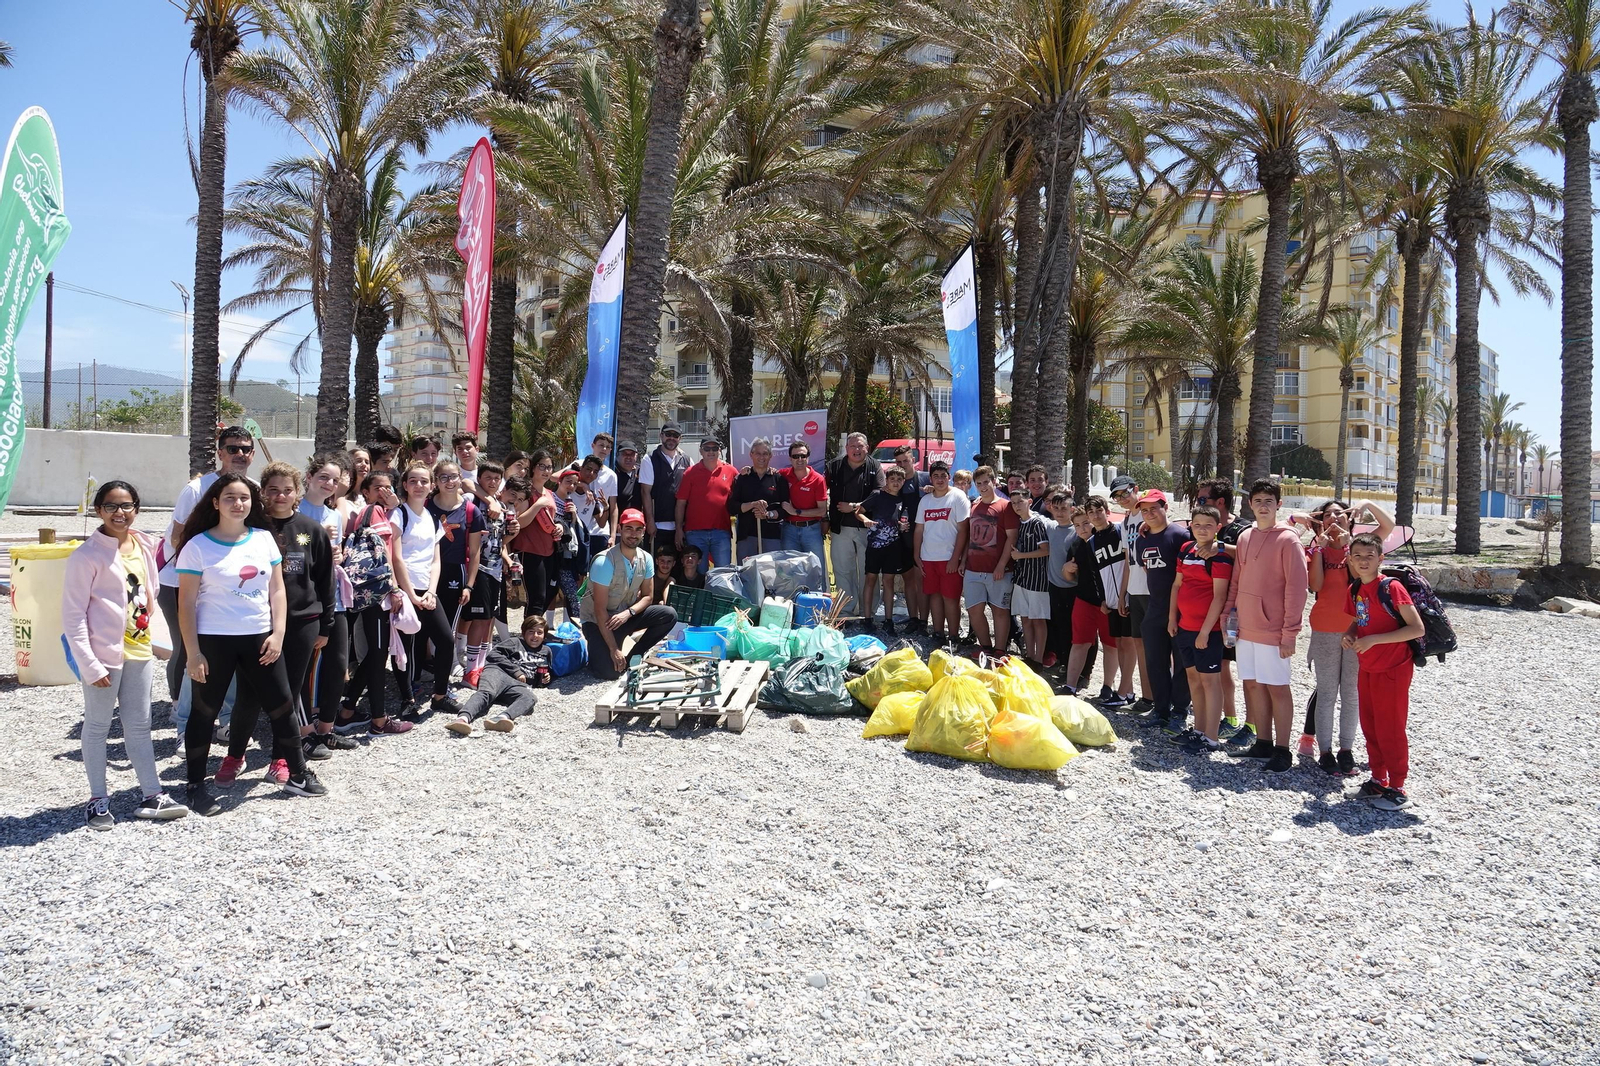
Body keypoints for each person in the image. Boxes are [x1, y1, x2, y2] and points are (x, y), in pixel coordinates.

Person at [175, 474, 326, 815]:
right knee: (204, 712)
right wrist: (193, 652)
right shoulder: (197, 545)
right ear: (215, 502)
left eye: (244, 498)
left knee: (282, 706)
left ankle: (297, 774)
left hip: (259, 637)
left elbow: (277, 590)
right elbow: (185, 603)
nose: (238, 504)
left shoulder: (262, 539)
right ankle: (195, 786)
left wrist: (278, 633)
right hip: (214, 640)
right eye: (230, 497)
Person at [63, 480, 187, 828]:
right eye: (111, 506)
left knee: (139, 723)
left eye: (127, 505)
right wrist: (89, 664)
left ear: (137, 508)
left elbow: (149, 593)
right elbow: (72, 617)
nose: (120, 513)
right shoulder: (86, 556)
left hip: (139, 650)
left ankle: (152, 793)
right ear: (98, 510)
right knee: (99, 724)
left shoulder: (143, 546)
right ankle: (97, 799)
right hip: (103, 656)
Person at [220, 462, 334, 784]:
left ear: (297, 493)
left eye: (287, 490)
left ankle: (279, 759)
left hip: (302, 624)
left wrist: (325, 626)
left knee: (287, 695)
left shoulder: (311, 530)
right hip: (256, 625)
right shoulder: (251, 530)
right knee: (249, 694)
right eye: (273, 490)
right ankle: (234, 756)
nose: (280, 496)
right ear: (262, 493)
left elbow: (326, 582)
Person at [156, 425, 255, 738]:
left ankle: (225, 719)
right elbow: (177, 536)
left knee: (228, 653)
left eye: (245, 449)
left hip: (229, 586)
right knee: (189, 652)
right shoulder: (198, 489)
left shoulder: (250, 488)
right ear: (219, 452)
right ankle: (184, 716)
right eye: (232, 448)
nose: (239, 454)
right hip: (184, 582)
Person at [1222, 478, 1309, 773]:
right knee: (1253, 684)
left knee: (1278, 688)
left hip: (1274, 631)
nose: (1262, 506)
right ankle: (1263, 741)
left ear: (1279, 505)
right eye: (1258, 501)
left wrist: (1290, 633)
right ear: (1250, 504)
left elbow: (1297, 589)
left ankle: (1283, 750)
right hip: (1245, 628)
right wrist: (1227, 617)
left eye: (1268, 502)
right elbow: (1236, 582)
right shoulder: (1245, 537)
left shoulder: (1289, 540)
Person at [1306, 499, 1395, 773]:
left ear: (1350, 519)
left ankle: (1346, 749)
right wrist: (1321, 549)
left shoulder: (1361, 547)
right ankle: (1325, 751)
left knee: (1351, 693)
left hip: (1358, 629)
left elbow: (1388, 526)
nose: (1334, 518)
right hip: (1324, 627)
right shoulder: (1314, 549)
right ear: (1320, 521)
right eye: (1328, 515)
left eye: (1340, 514)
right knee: (1327, 692)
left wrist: (1367, 504)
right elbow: (1316, 585)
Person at [1343, 532, 1425, 811]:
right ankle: (1378, 779)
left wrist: (1373, 640)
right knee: (1371, 725)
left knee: (1391, 727)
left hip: (1393, 668)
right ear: (1350, 560)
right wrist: (1351, 634)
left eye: (1369, 556)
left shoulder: (1391, 587)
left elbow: (1416, 628)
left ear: (1381, 558)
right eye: (1358, 556)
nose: (1363, 561)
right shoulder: (1355, 589)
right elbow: (1360, 622)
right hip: (1368, 666)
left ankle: (1398, 786)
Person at [333, 470, 414, 737]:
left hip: (372, 593)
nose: (384, 492)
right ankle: (379, 721)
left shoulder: (379, 512)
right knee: (378, 655)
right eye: (378, 487)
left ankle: (347, 711)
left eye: (389, 486)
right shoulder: (373, 512)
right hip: (377, 593)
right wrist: (393, 588)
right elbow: (381, 555)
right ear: (365, 491)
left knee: (376, 654)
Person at [299, 454, 361, 755]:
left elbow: (334, 555)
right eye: (323, 476)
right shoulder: (295, 510)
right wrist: (318, 541)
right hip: (304, 600)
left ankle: (326, 728)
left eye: (335, 480)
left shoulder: (335, 514)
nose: (329, 484)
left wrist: (336, 555)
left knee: (337, 664)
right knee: (307, 668)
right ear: (309, 476)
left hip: (332, 599)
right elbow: (292, 553)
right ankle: (304, 732)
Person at [390, 461, 461, 719]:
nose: (418, 486)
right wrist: (410, 595)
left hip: (427, 590)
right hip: (405, 590)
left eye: (424, 481)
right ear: (405, 485)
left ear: (431, 486)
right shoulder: (399, 514)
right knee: (406, 647)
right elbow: (396, 558)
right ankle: (407, 699)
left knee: (446, 640)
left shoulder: (432, 519)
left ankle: (440, 696)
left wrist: (430, 592)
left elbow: (435, 560)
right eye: (413, 481)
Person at [582, 509, 678, 680]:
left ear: (643, 531)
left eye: (638, 529)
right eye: (628, 528)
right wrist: (613, 649)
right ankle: (607, 651)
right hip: (598, 622)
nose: (633, 534)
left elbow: (648, 597)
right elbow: (599, 610)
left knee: (668, 614)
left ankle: (634, 656)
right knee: (609, 673)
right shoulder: (604, 562)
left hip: (623, 617)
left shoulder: (646, 558)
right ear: (619, 529)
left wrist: (628, 613)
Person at [1169, 505, 1233, 753]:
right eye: (1197, 524)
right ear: (1191, 526)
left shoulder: (1219, 556)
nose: (1202, 529)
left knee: (1210, 682)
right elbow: (1177, 586)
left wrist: (1206, 632)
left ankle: (1211, 737)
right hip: (1184, 627)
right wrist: (1172, 618)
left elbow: (1219, 596)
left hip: (1208, 631)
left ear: (1218, 528)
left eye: (1208, 525)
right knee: (1193, 679)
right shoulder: (1186, 550)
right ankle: (1198, 730)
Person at [1133, 490, 1192, 736]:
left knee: (1181, 662)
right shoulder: (1142, 539)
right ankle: (1161, 709)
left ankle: (1180, 711)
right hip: (1155, 607)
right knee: (1155, 661)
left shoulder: (1180, 536)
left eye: (1153, 509)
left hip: (1181, 609)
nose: (1149, 514)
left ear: (1165, 507)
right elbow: (1147, 569)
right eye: (1144, 511)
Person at [1197, 477, 1251, 742]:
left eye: (1201, 500)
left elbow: (1251, 554)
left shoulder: (1243, 529)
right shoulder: (1205, 525)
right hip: (1212, 608)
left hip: (1240, 610)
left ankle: (1251, 726)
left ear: (1220, 502)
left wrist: (1220, 547)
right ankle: (1229, 718)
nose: (1198, 504)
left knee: (1248, 673)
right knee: (1220, 665)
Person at [428, 459, 486, 679]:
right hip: (427, 572)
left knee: (449, 624)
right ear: (436, 481)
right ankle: (429, 663)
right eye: (443, 477)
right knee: (426, 623)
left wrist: (469, 585)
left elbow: (474, 551)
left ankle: (449, 662)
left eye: (453, 476)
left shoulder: (470, 511)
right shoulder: (425, 506)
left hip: (455, 571)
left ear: (460, 479)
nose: (449, 481)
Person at [447, 613, 552, 735]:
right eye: (531, 631)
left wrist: (547, 679)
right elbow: (493, 654)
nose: (535, 636)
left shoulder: (546, 651)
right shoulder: (515, 642)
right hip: (498, 672)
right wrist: (516, 671)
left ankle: (502, 718)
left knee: (530, 698)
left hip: (516, 685)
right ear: (523, 632)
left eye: (539, 632)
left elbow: (544, 671)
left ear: (544, 635)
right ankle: (462, 719)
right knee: (487, 693)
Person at [1065, 497, 1126, 702]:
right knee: (1079, 642)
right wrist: (1066, 570)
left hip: (1110, 601)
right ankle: (1070, 685)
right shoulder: (1076, 545)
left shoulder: (1115, 534)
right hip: (1085, 600)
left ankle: (1108, 686)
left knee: (1111, 645)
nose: (1083, 527)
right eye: (1078, 525)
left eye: (1086, 522)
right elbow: (1070, 574)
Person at [462, 460, 511, 686]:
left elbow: (500, 542)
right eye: (488, 478)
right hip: (477, 567)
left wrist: (512, 533)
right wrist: (487, 498)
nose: (492, 482)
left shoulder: (503, 508)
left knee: (489, 619)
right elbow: (465, 483)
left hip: (495, 570)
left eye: (496, 478)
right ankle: (470, 670)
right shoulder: (472, 500)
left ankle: (481, 665)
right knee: (479, 620)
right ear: (480, 478)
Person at [960, 466, 1019, 653]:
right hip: (973, 569)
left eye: (986, 482)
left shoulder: (1005, 506)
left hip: (999, 571)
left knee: (1000, 612)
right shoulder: (974, 505)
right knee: (974, 611)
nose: (983, 486)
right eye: (979, 483)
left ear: (994, 481)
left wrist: (1002, 565)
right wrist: (963, 561)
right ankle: (985, 646)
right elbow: (969, 536)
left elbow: (1012, 537)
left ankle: (1000, 650)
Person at [825, 433, 883, 620]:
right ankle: (845, 612)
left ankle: (869, 612)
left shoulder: (875, 466)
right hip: (840, 528)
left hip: (867, 527)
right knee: (842, 571)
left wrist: (856, 506)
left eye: (860, 446)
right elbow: (819, 487)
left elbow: (879, 492)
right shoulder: (834, 466)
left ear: (867, 447)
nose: (856, 450)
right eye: (852, 446)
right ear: (846, 448)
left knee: (869, 571)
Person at [1109, 475, 1152, 713]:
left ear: (1135, 489)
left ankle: (1169, 699)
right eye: (1117, 496)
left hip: (1152, 589)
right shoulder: (1126, 522)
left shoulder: (1148, 512)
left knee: (1159, 648)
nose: (1122, 499)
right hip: (1135, 589)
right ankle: (1147, 697)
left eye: (1124, 493)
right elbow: (1127, 560)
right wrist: (1122, 594)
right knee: (1140, 645)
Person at [914, 462, 970, 643]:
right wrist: (917, 555)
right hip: (928, 557)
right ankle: (938, 633)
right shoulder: (925, 501)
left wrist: (956, 558)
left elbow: (964, 530)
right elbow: (919, 530)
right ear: (930, 479)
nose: (939, 479)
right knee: (935, 596)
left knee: (951, 598)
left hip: (949, 558)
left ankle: (954, 635)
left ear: (949, 477)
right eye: (936, 476)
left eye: (943, 476)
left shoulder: (958, 497)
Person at [1044, 490, 1095, 687]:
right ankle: (1066, 665)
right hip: (1056, 587)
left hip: (1077, 590)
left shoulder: (1079, 532)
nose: (1059, 512)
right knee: (1062, 629)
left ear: (1071, 509)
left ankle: (1086, 673)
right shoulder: (1051, 528)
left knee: (1083, 634)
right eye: (1055, 508)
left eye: (1063, 508)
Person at [859, 466, 913, 634]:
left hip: (893, 547)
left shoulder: (902, 499)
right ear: (886, 481)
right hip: (875, 546)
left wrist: (902, 525)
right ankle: (867, 619)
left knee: (888, 582)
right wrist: (866, 520)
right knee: (871, 579)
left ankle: (888, 621)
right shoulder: (877, 495)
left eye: (899, 480)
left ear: (903, 482)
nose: (895, 483)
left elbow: (897, 519)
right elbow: (858, 511)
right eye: (892, 479)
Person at [675, 437, 737, 571]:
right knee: (699, 575)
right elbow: (681, 503)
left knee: (723, 575)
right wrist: (679, 529)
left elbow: (743, 489)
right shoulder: (690, 473)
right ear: (701, 451)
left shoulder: (731, 471)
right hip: (695, 533)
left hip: (721, 532)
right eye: (707, 449)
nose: (711, 452)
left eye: (714, 448)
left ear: (719, 451)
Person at [1007, 489, 1052, 666]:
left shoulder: (1036, 523)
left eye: (1020, 501)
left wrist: (1021, 556)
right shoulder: (1020, 522)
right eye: (1014, 502)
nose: (1017, 505)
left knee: (1038, 620)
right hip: (1022, 579)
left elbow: (1045, 550)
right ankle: (1030, 656)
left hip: (1037, 580)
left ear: (1029, 502)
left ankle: (1039, 659)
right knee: (1025, 618)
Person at [728, 437, 788, 561]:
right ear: (751, 455)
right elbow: (732, 507)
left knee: (770, 575)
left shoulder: (778, 479)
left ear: (770, 456)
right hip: (746, 536)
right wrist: (753, 505)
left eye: (765, 454)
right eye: (758, 453)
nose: (761, 457)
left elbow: (785, 510)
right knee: (747, 574)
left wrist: (767, 514)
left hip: (772, 536)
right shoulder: (742, 478)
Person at [892, 447, 930, 632]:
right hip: (901, 538)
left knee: (921, 580)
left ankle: (924, 621)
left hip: (923, 537)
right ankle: (913, 618)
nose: (902, 465)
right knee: (908, 580)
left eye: (905, 461)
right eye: (898, 462)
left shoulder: (925, 479)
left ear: (913, 459)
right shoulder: (893, 482)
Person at [641, 423, 691, 552]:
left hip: (681, 528)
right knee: (657, 566)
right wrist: (650, 522)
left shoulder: (687, 460)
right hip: (657, 526)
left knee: (678, 568)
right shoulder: (650, 458)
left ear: (680, 438)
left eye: (675, 435)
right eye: (668, 434)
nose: (671, 438)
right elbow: (645, 492)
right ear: (661, 436)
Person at [779, 440, 828, 569]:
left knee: (817, 569)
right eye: (795, 456)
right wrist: (747, 470)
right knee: (790, 571)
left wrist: (796, 511)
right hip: (789, 530)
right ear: (790, 459)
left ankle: (819, 591)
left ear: (808, 458)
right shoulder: (783, 475)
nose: (799, 459)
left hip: (811, 530)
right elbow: (765, 473)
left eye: (803, 456)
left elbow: (822, 510)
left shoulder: (818, 479)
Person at [550, 466, 589, 620]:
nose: (571, 486)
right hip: (550, 552)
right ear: (560, 481)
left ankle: (575, 625)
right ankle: (546, 626)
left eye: (574, 483)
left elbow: (573, 530)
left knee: (572, 593)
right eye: (568, 482)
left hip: (566, 555)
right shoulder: (550, 499)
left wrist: (573, 516)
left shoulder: (570, 502)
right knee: (549, 592)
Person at [613, 440, 644, 519]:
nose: (628, 457)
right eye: (624, 454)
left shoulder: (642, 471)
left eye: (632, 454)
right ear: (617, 455)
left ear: (636, 456)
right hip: (619, 525)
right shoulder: (612, 474)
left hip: (637, 524)